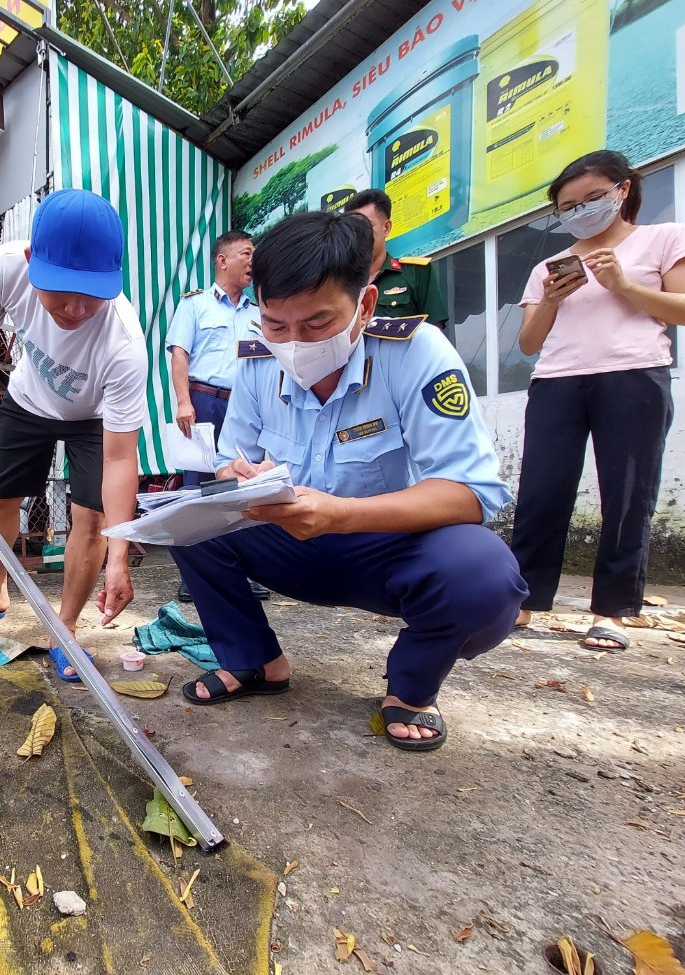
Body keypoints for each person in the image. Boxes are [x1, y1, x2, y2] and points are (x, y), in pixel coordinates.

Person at [169, 210, 527, 751]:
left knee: (484, 574)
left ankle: (410, 688)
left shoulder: (416, 353)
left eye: (316, 324)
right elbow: (233, 456)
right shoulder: (256, 360)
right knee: (188, 519)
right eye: (275, 324)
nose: (293, 343)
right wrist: (234, 472)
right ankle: (256, 662)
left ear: (364, 306)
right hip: (290, 542)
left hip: (384, 551)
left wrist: (342, 515)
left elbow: (471, 491)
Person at [0, 189, 146, 681]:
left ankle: (64, 629)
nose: (78, 309)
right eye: (61, 292)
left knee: (91, 517)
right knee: (1, 499)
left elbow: (123, 459)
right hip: (28, 398)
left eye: (93, 294)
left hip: (93, 418)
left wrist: (120, 556)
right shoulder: (3, 267)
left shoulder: (125, 343)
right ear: (29, 259)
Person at [510, 151, 685, 651]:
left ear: (622, 190)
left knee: (626, 494)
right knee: (541, 491)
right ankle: (525, 599)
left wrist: (622, 283)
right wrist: (553, 297)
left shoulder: (664, 238)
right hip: (557, 381)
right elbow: (529, 343)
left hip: (633, 374)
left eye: (592, 198)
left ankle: (612, 612)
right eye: (568, 205)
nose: (580, 210)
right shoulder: (548, 267)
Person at [166, 229, 269, 602]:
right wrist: (183, 401)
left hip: (246, 405)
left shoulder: (259, 311)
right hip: (203, 401)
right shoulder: (195, 305)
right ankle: (194, 572)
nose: (252, 261)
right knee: (197, 487)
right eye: (246, 253)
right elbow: (180, 354)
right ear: (222, 260)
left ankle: (248, 569)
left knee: (242, 484)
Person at [343, 189, 449, 327]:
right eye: (353, 230)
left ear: (386, 228)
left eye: (366, 227)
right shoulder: (340, 283)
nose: (359, 236)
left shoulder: (415, 273)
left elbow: (434, 336)